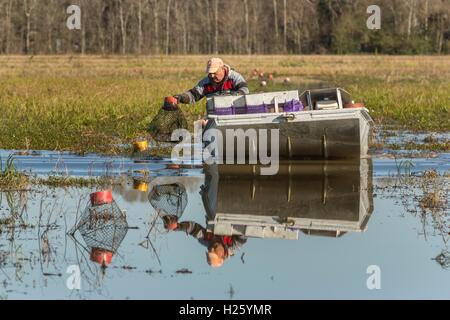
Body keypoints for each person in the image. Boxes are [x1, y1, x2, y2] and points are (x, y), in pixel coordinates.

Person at [162, 215, 246, 268]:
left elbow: (193, 228)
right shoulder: (234, 246)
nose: (212, 249)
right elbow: (244, 232)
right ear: (222, 255)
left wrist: (178, 226)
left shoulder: (205, 240)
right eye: (214, 252)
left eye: (210, 251)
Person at [173, 57, 249, 105]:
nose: (212, 76)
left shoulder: (234, 77)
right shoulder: (205, 82)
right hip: (214, 114)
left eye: (214, 73)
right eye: (210, 73)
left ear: (223, 68)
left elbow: (245, 90)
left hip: (235, 112)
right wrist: (181, 98)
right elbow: (193, 95)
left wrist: (232, 96)